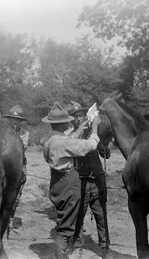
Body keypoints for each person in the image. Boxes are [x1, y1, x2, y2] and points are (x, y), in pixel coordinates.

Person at [42, 102, 102, 259]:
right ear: (62, 124)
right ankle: (60, 254)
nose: (70, 123)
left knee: (63, 218)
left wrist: (78, 131)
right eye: (67, 121)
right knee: (66, 226)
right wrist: (95, 127)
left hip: (57, 182)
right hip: (69, 183)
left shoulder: (49, 139)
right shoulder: (63, 142)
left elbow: (65, 144)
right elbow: (90, 145)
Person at [67, 101, 113, 259]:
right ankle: (78, 245)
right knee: (79, 214)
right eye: (76, 116)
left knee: (101, 214)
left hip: (98, 179)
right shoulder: (71, 135)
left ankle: (105, 248)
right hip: (81, 180)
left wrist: (105, 146)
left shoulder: (94, 133)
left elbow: (105, 155)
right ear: (72, 119)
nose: (79, 118)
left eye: (81, 115)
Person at [3, 105, 29, 235]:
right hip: (4, 165)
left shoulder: (25, 134)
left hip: (18, 166)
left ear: (20, 121)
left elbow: (21, 149)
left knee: (16, 195)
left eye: (17, 119)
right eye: (12, 119)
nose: (14, 122)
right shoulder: (2, 131)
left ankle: (10, 220)